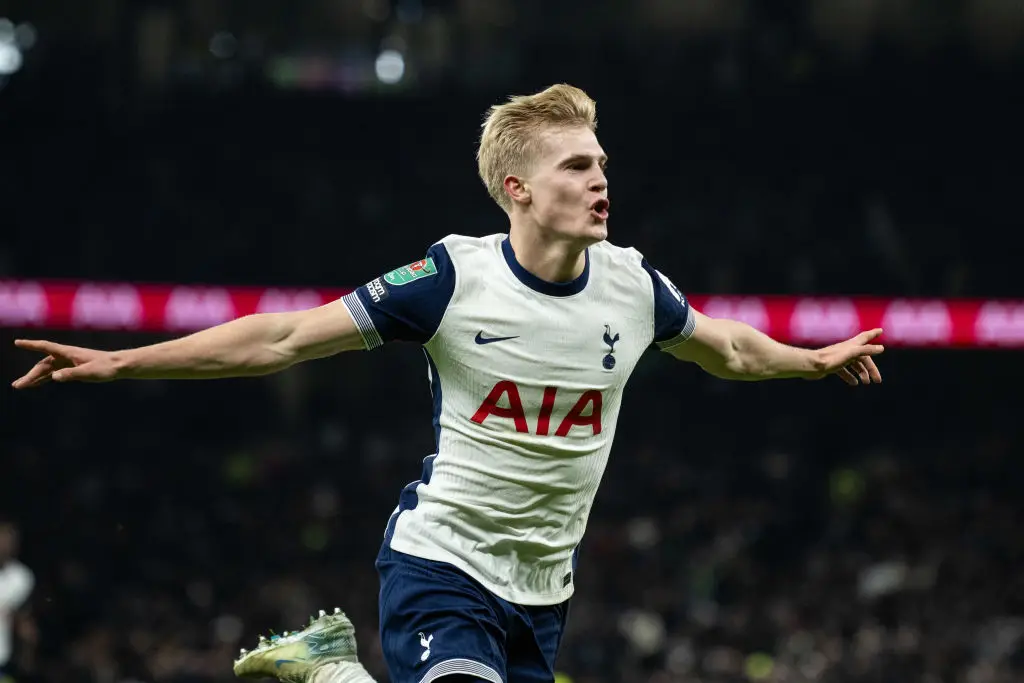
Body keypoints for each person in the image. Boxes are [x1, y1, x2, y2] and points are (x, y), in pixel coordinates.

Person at [12, 84, 883, 683]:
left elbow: (724, 347)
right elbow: (280, 337)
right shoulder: (450, 281)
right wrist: (121, 361)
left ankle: (330, 668)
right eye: (576, 167)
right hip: (443, 561)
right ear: (518, 189)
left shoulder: (633, 285)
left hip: (545, 590)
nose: (600, 180)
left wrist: (811, 360)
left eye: (602, 163)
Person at [0, 522, 34, 683]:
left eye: (10, 539)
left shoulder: (21, 578)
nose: (5, 544)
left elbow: (24, 621)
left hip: (3, 662)